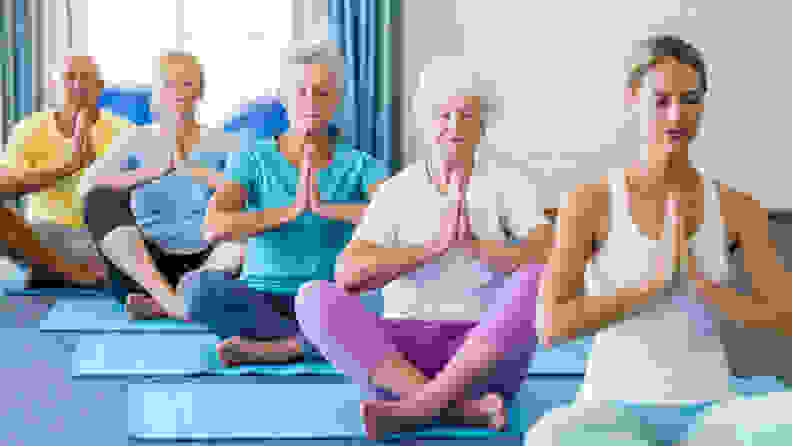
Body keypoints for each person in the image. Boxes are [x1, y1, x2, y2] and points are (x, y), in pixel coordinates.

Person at [524, 35, 792, 446]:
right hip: (613, 410)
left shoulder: (738, 207)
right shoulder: (590, 201)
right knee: (549, 438)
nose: (677, 114)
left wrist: (705, 289)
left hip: (712, 412)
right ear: (633, 100)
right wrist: (654, 285)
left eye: (690, 100)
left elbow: (784, 314)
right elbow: (552, 325)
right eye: (661, 99)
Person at [295, 57, 555, 441]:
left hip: (484, 355)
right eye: (444, 115)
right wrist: (432, 249)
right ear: (428, 122)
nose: (454, 127)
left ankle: (419, 408)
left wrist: (478, 248)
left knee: (536, 279)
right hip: (400, 357)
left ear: (483, 125)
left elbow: (550, 252)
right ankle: (456, 410)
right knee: (312, 297)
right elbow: (348, 275)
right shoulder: (398, 190)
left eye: (466, 116)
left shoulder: (509, 182)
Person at [180, 39, 390, 366]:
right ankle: (313, 342)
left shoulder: (360, 163)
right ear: (285, 97)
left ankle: (283, 348)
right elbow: (213, 226)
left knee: (391, 299)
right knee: (196, 289)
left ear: (336, 99)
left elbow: (396, 220)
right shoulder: (253, 157)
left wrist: (327, 209)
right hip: (262, 297)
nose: (311, 102)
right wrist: (289, 212)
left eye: (321, 93)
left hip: (326, 298)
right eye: (301, 92)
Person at [79, 50, 244, 320]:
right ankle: (173, 301)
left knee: (253, 216)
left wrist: (198, 173)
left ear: (200, 91)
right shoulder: (135, 139)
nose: (178, 92)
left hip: (211, 263)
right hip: (147, 269)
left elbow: (251, 192)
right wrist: (147, 174)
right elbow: (88, 185)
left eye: (187, 83)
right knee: (99, 199)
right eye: (169, 84)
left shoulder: (226, 142)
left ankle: (170, 304)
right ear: (155, 93)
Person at [0, 53, 132, 288]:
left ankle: (66, 272)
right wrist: (70, 166)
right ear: (55, 85)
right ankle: (68, 272)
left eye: (87, 78)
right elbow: (5, 186)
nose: (78, 85)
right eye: (70, 78)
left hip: (103, 239)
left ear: (99, 87)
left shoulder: (125, 130)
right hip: (44, 239)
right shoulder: (29, 129)